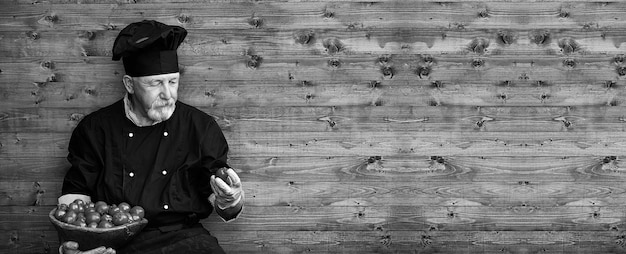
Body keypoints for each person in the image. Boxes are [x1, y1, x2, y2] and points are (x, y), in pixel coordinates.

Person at [56, 20, 244, 254]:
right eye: (155, 84)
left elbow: (219, 199)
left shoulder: (199, 126)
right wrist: (74, 243)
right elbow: (75, 196)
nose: (167, 94)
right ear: (130, 85)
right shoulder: (95, 129)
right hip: (114, 239)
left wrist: (232, 200)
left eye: (173, 82)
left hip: (183, 238)